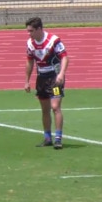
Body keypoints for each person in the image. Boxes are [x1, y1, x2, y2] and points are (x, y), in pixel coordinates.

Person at [24, 17, 70, 150]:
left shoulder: (53, 41)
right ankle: (47, 138)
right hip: (41, 79)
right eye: (28, 31)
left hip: (54, 78)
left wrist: (61, 73)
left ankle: (58, 138)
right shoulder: (30, 43)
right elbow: (29, 62)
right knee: (45, 109)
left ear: (39, 29)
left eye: (31, 31)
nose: (29, 34)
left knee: (55, 107)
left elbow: (65, 57)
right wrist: (27, 80)